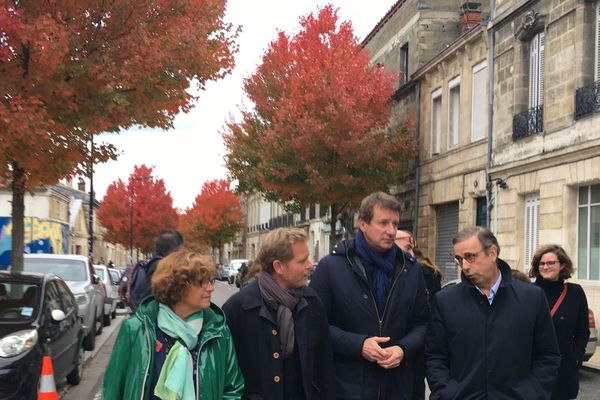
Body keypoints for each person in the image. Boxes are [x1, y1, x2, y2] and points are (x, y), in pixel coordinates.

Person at [309, 192, 429, 400]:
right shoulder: (331, 267)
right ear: (362, 224)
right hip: (346, 388)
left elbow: (423, 324)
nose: (391, 231)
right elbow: (313, 326)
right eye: (383, 223)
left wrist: (403, 348)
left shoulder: (411, 270)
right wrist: (358, 345)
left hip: (398, 387)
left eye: (395, 223)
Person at [426, 226, 561, 399]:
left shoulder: (532, 298)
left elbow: (548, 355)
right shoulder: (445, 301)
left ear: (492, 253)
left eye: (470, 257)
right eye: (459, 259)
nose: (465, 266)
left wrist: (532, 394)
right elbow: (435, 357)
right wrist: (447, 393)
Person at [103, 250, 244, 400]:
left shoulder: (218, 331)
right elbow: (113, 390)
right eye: (201, 282)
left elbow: (232, 389)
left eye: (211, 281)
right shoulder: (135, 329)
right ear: (178, 287)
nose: (210, 288)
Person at [223, 228, 334, 400]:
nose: (309, 265)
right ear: (278, 266)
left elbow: (324, 366)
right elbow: (226, 376)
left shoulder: (312, 303)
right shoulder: (238, 308)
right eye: (302, 261)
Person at [529, 244, 590, 400]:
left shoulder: (575, 292)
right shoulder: (527, 292)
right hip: (533, 370)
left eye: (550, 263)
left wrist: (576, 356)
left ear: (562, 265)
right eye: (541, 263)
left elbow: (583, 331)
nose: (545, 266)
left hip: (564, 370)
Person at [395, 230, 442, 400]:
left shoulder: (421, 273)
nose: (410, 253)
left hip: (414, 353)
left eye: (411, 248)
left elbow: (426, 317)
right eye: (407, 247)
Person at [130, 228, 184, 309]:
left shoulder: (156, 263)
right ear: (172, 249)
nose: (181, 251)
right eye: (179, 248)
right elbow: (151, 296)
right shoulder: (160, 267)